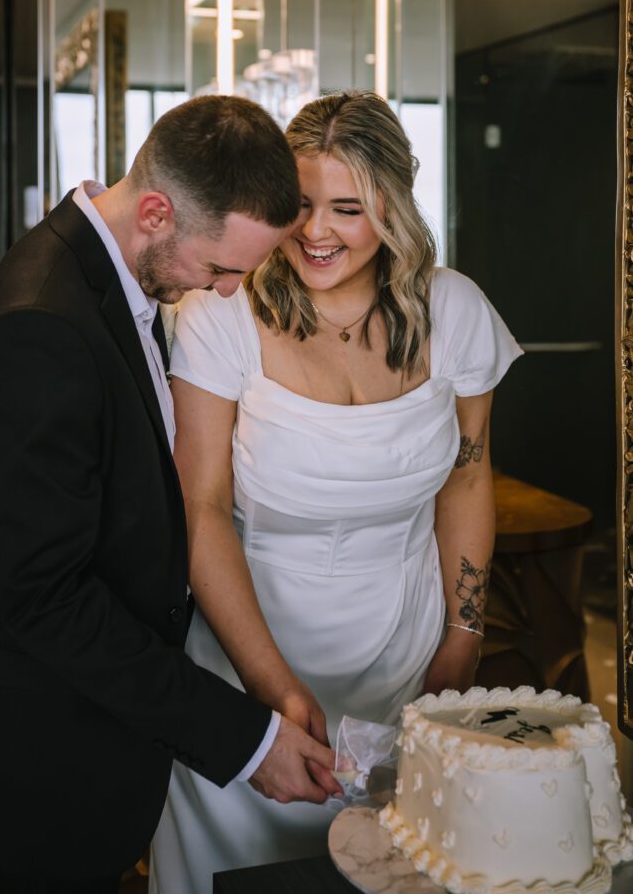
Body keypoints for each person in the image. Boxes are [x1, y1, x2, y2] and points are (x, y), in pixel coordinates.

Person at [0, 95, 341, 894]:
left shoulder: (111, 276)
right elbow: (45, 600)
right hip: (36, 768)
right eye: (222, 267)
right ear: (157, 211)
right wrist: (244, 740)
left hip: (95, 736)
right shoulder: (40, 329)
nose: (228, 291)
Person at [149, 90, 524, 894]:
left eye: (347, 209)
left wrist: (461, 634)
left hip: (406, 648)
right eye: (301, 205)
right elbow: (201, 505)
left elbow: (465, 477)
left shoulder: (452, 310)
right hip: (251, 650)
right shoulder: (224, 315)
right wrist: (270, 690)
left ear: (392, 203)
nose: (315, 233)